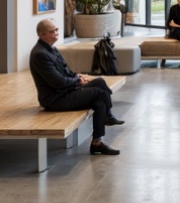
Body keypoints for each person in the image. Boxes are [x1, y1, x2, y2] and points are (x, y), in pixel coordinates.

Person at [29, 19, 123, 155]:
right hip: (56, 98)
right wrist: (77, 81)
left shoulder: (51, 49)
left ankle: (106, 119)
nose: (56, 33)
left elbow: (65, 71)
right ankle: (98, 139)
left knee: (100, 82)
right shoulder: (40, 54)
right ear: (41, 34)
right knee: (100, 96)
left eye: (56, 30)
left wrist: (77, 76)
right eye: (52, 31)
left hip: (65, 90)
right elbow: (57, 82)